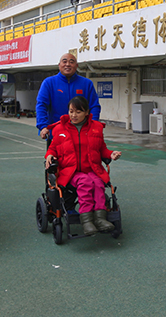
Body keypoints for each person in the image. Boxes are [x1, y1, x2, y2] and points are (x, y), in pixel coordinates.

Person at [45, 96, 121, 235]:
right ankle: (87, 221)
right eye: (71, 111)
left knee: (98, 183)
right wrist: (49, 155)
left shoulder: (96, 128)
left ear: (87, 112)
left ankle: (100, 219)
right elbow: (52, 148)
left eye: (78, 112)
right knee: (85, 182)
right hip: (70, 171)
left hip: (92, 169)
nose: (74, 115)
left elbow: (102, 149)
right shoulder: (60, 129)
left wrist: (111, 154)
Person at [36, 53, 101, 142]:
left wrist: (93, 125)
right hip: (56, 133)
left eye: (71, 62)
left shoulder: (86, 84)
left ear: (76, 66)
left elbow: (94, 106)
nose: (68, 64)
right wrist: (43, 126)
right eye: (64, 61)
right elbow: (41, 105)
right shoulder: (49, 83)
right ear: (59, 65)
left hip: (81, 134)